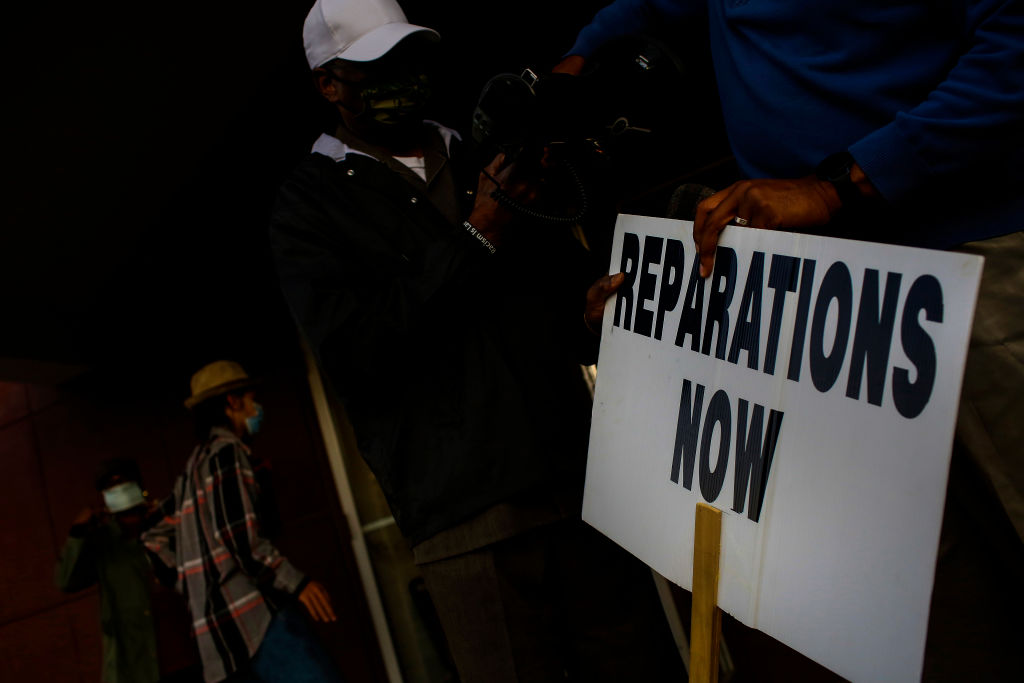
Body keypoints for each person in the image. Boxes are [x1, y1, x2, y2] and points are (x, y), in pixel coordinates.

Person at [557, 0, 1024, 677]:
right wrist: (583, 56)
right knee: (930, 611)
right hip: (834, 315)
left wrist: (845, 184)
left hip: (967, 256)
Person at [269, 0, 683, 681]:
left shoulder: (481, 153)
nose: (400, 76)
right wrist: (474, 235)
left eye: (406, 57)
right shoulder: (309, 207)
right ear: (329, 83)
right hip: (467, 526)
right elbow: (358, 352)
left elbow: (555, 297)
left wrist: (588, 314)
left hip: (580, 492)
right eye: (376, 66)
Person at [142, 360, 342, 683]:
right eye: (250, 399)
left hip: (218, 643)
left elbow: (152, 538)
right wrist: (297, 582)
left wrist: (194, 582)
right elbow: (238, 536)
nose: (256, 408)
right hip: (256, 620)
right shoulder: (227, 453)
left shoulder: (191, 470)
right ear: (232, 403)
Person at [55, 458, 201, 683]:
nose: (120, 491)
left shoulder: (166, 523)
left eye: (124, 483)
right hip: (137, 667)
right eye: (111, 487)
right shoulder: (103, 542)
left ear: (139, 487)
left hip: (190, 657)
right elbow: (66, 581)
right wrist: (78, 533)